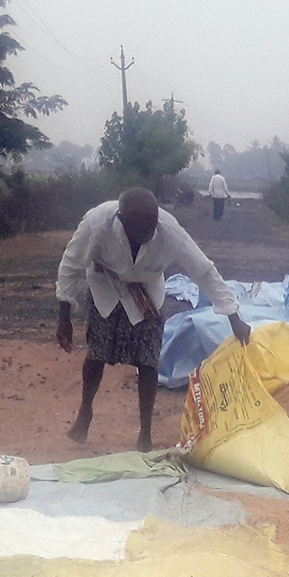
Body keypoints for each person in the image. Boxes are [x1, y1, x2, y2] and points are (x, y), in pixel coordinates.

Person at [55, 187, 251, 451]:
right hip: (106, 286)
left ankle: (145, 431)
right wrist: (64, 315)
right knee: (97, 354)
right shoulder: (97, 223)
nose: (148, 234)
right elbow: (70, 265)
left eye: (152, 226)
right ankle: (85, 410)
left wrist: (233, 315)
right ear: (122, 220)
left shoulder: (170, 232)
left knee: (148, 360)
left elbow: (203, 271)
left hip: (146, 291)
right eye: (141, 229)